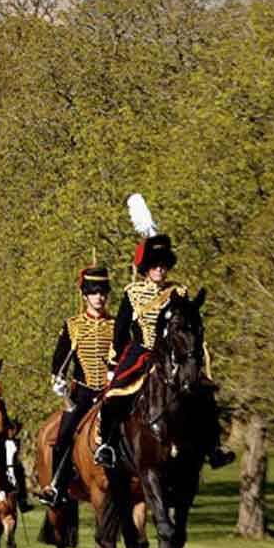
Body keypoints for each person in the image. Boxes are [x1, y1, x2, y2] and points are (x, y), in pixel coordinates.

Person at [98, 196, 235, 470]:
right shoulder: (133, 293)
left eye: (163, 264)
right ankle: (107, 445)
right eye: (155, 264)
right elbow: (121, 329)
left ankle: (213, 447)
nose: (160, 268)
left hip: (174, 354)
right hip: (142, 353)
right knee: (113, 395)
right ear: (146, 268)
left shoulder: (179, 291)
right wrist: (116, 360)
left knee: (205, 392)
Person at [37, 265, 114, 507]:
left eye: (102, 292)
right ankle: (57, 486)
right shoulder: (73, 325)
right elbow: (60, 359)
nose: (99, 297)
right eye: (94, 292)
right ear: (84, 295)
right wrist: (57, 381)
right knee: (64, 435)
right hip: (83, 392)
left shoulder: (114, 325)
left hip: (111, 392)